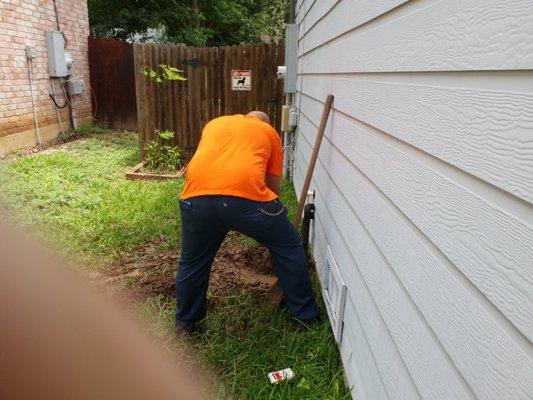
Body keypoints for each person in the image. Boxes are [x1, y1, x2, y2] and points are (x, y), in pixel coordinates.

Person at [175, 111, 319, 334]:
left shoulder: (214, 123)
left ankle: (185, 323)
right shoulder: (268, 132)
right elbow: (272, 186)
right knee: (289, 245)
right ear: (265, 122)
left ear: (245, 116)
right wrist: (273, 218)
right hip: (246, 203)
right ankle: (305, 317)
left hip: (196, 199)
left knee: (193, 261)